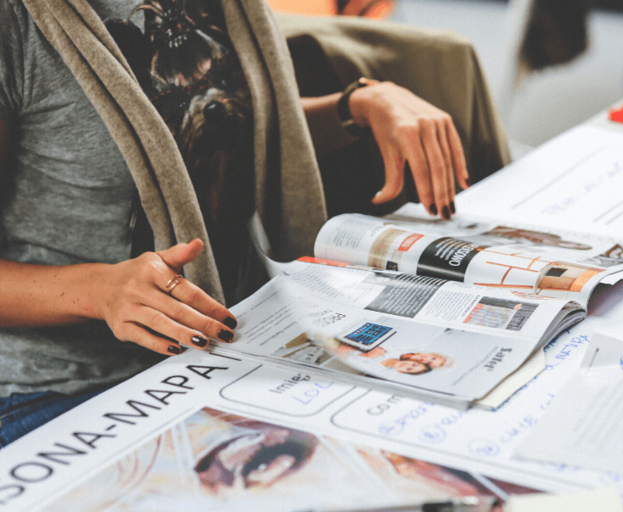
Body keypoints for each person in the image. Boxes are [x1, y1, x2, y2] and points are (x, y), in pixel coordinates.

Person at [0, 0, 472, 447]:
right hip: (63, 389)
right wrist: (101, 290)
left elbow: (225, 133)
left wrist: (357, 106)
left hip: (233, 345)